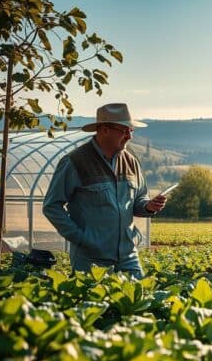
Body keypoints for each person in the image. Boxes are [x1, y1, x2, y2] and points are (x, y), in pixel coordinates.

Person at [43, 103, 166, 277]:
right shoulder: (75, 162)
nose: (130, 136)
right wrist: (82, 239)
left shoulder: (131, 161)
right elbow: (51, 206)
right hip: (91, 258)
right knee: (94, 302)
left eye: (131, 130)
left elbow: (138, 199)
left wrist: (148, 206)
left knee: (137, 300)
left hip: (127, 255)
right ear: (104, 130)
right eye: (124, 130)